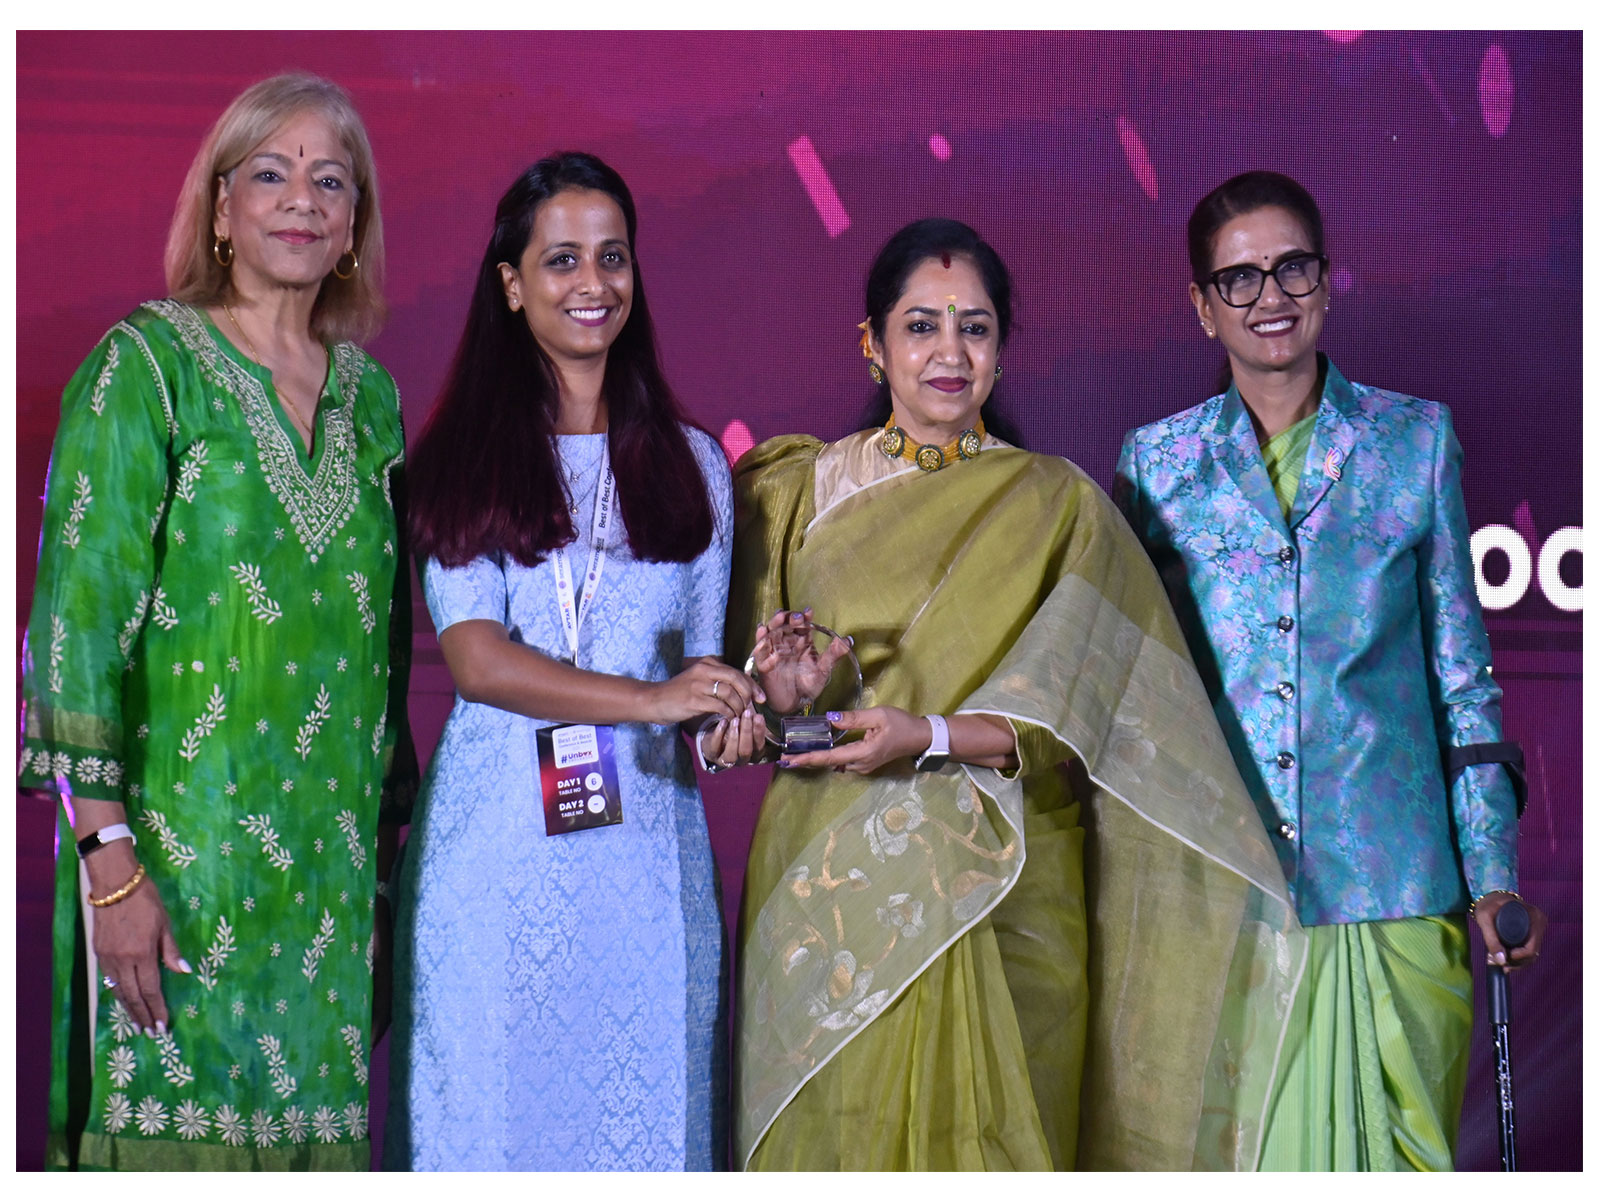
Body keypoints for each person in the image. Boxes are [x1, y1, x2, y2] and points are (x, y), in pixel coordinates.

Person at [725, 217, 1306, 1171]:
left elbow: (1097, 718)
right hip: (828, 887)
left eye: (975, 328)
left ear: (1002, 348)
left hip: (1009, 887)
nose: (949, 353)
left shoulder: (1061, 508)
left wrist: (929, 734)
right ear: (872, 342)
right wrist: (784, 692)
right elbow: (751, 714)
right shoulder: (792, 494)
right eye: (921, 326)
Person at [1114, 169, 1549, 1171]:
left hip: (1397, 890)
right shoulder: (1158, 465)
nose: (1269, 296)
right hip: (1230, 898)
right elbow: (1145, 697)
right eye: (1238, 278)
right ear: (1202, 306)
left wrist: (1491, 877)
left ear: (1326, 277)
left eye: (1291, 267)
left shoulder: (1414, 441)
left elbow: (1462, 679)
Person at [18, 72, 415, 1170]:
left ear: (353, 226)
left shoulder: (372, 401)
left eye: (330, 182)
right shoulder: (145, 368)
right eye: (271, 174)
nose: (301, 200)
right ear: (222, 207)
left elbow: (380, 657)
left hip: (325, 904)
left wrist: (381, 887)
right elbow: (75, 633)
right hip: (172, 881)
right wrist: (110, 869)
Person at [385, 151, 753, 1171]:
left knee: (644, 1130)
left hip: (647, 864)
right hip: (495, 856)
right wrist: (655, 699)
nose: (593, 283)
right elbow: (478, 663)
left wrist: (747, 703)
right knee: (489, 1135)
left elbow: (701, 693)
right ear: (511, 284)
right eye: (561, 261)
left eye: (612, 257)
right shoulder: (460, 458)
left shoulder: (695, 465)